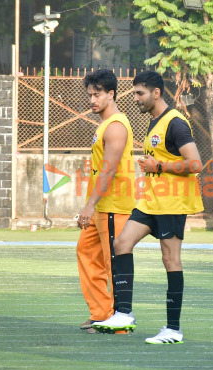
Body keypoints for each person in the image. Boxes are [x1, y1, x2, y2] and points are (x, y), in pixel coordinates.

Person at [92, 70, 204, 344]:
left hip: (172, 203)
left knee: (170, 260)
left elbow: (196, 164)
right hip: (151, 202)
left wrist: (160, 166)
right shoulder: (154, 122)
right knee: (121, 243)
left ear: (156, 93)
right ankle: (124, 313)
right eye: (134, 94)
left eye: (140, 93)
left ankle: (173, 329)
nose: (136, 99)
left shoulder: (175, 123)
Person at [76, 69, 135, 334]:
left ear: (111, 94)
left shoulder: (116, 126)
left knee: (114, 263)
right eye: (89, 95)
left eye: (97, 94)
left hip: (114, 206)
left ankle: (118, 323)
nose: (92, 100)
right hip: (101, 206)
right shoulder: (103, 126)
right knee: (86, 252)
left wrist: (89, 205)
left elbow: (109, 170)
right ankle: (101, 313)